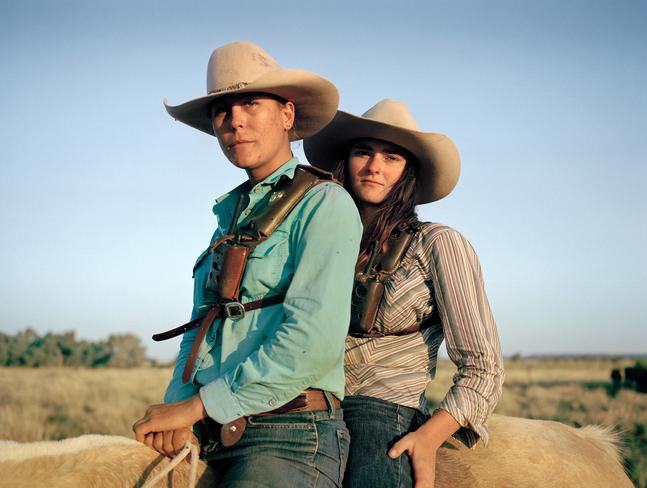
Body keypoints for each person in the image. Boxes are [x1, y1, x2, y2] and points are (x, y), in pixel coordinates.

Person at [133, 41, 362, 487]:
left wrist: (198, 406)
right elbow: (201, 329)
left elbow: (311, 341)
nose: (234, 120)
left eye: (250, 103)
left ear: (287, 115)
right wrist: (177, 407)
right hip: (211, 429)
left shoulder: (325, 204)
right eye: (222, 110)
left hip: (288, 433)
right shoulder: (228, 222)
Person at [304, 99, 505, 488]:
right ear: (347, 161)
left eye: (391, 158)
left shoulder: (438, 244)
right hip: (309, 405)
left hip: (380, 409)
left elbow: (484, 366)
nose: (375, 166)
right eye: (363, 152)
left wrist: (429, 437)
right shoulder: (319, 244)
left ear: (408, 173)